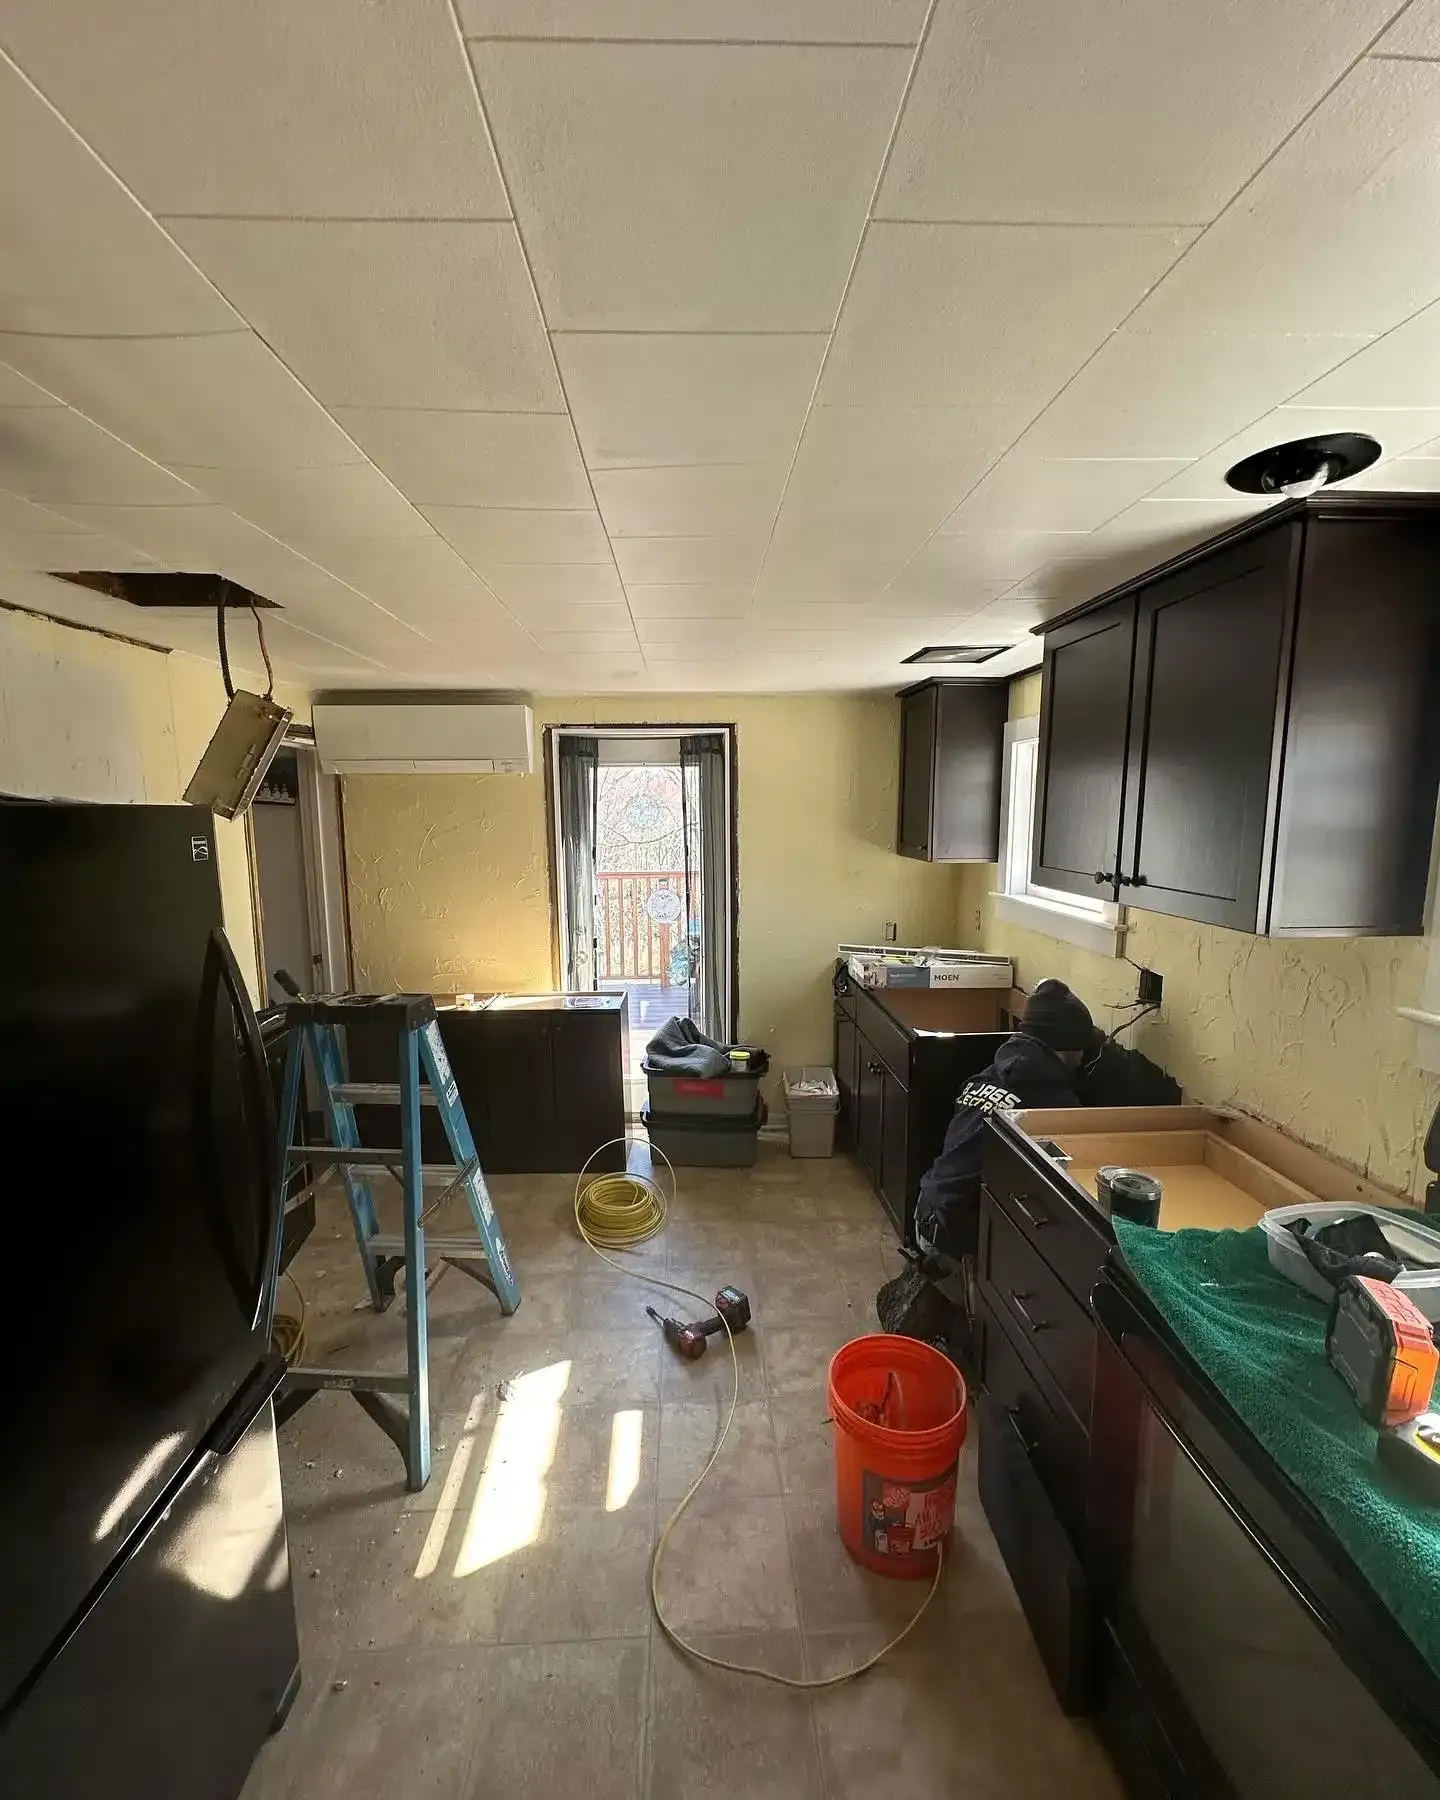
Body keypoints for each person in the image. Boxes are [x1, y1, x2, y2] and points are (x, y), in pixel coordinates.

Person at [877, 979, 1102, 1354]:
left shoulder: (988, 1074)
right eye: (1081, 1050)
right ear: (1065, 1051)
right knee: (1000, 1323)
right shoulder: (1055, 1106)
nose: (1083, 1058)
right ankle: (955, 1312)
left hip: (925, 1211)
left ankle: (935, 1285)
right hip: (954, 1236)